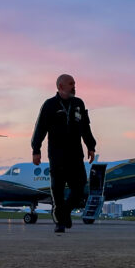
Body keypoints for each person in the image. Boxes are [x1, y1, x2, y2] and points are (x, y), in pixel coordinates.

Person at [31, 74, 96, 233]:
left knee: (80, 187)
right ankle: (60, 223)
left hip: (75, 154)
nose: (74, 86)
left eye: (74, 83)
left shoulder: (78, 104)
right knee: (58, 190)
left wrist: (91, 145)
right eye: (71, 84)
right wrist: (36, 149)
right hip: (57, 155)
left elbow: (85, 127)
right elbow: (40, 128)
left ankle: (63, 212)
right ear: (60, 86)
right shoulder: (49, 105)